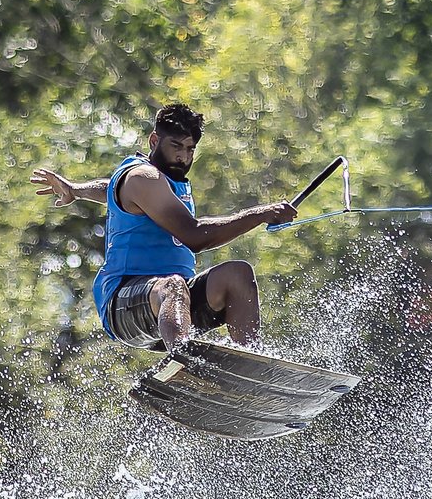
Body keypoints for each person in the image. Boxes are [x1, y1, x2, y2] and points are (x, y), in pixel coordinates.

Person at [31, 104, 296, 349]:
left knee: (238, 275)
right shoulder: (142, 177)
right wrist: (260, 214)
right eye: (176, 146)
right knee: (173, 286)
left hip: (172, 308)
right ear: (154, 141)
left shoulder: (158, 181)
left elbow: (109, 189)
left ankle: (248, 367)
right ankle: (184, 363)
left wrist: (75, 189)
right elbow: (194, 236)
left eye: (190, 149)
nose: (183, 157)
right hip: (125, 304)